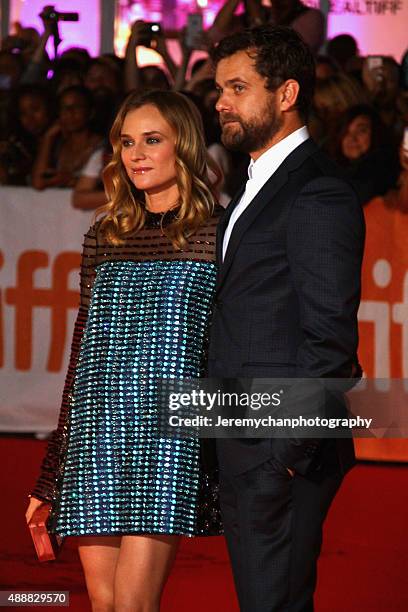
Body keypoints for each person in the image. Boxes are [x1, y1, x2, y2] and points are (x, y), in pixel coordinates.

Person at [26, 89, 222, 611]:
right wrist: (51, 473)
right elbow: (80, 355)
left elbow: (229, 349)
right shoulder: (105, 234)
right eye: (127, 142)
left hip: (167, 437)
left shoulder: (218, 234)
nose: (135, 154)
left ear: (184, 145)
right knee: (106, 605)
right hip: (96, 432)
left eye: (151, 140)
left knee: (134, 605)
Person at [209, 25, 365, 611]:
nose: (220, 101)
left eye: (237, 87)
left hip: (278, 449)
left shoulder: (316, 192)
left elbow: (329, 338)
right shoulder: (253, 183)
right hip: (244, 437)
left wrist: (288, 453)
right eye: (219, 88)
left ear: (286, 93)